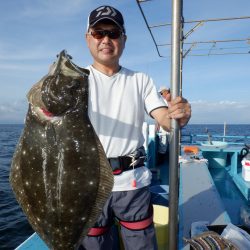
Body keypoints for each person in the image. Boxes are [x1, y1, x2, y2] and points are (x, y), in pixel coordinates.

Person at [79, 5, 191, 250]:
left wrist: (176, 116)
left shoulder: (141, 80)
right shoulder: (75, 80)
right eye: (99, 33)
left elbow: (162, 117)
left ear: (124, 39)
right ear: (88, 38)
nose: (106, 39)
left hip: (133, 184)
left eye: (113, 33)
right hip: (88, 184)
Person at [156, 86, 171, 164]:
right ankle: (161, 162)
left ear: (166, 91)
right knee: (163, 144)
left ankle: (171, 161)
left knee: (172, 144)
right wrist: (157, 127)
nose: (161, 94)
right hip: (163, 127)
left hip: (172, 127)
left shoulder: (173, 101)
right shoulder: (161, 102)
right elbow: (158, 115)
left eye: (161, 93)